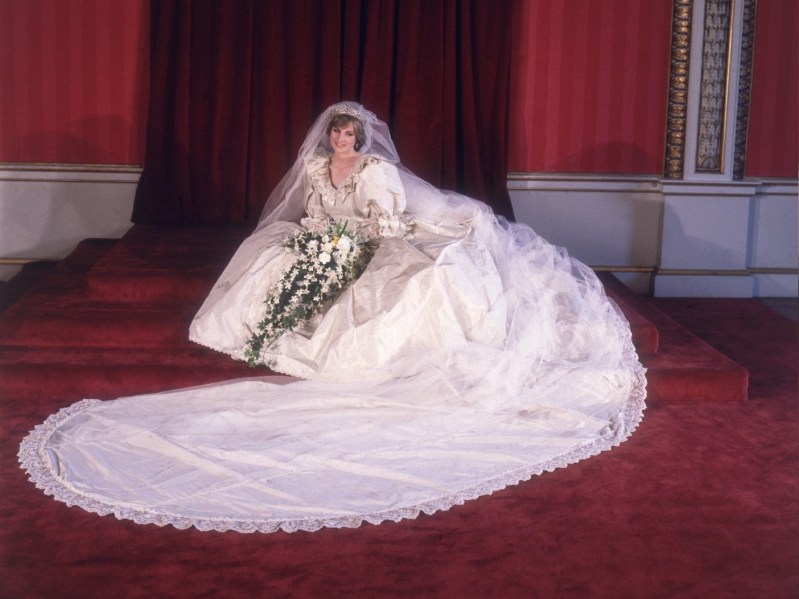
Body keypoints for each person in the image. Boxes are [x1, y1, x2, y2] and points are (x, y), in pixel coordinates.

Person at [19, 102, 646, 534]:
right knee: (270, 252)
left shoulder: (377, 172)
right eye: (336, 136)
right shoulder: (318, 170)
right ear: (328, 140)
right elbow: (314, 209)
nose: (342, 143)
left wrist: (352, 241)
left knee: (400, 281)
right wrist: (319, 238)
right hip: (332, 238)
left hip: (375, 236)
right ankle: (269, 330)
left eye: (349, 136)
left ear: (361, 140)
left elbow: (386, 219)